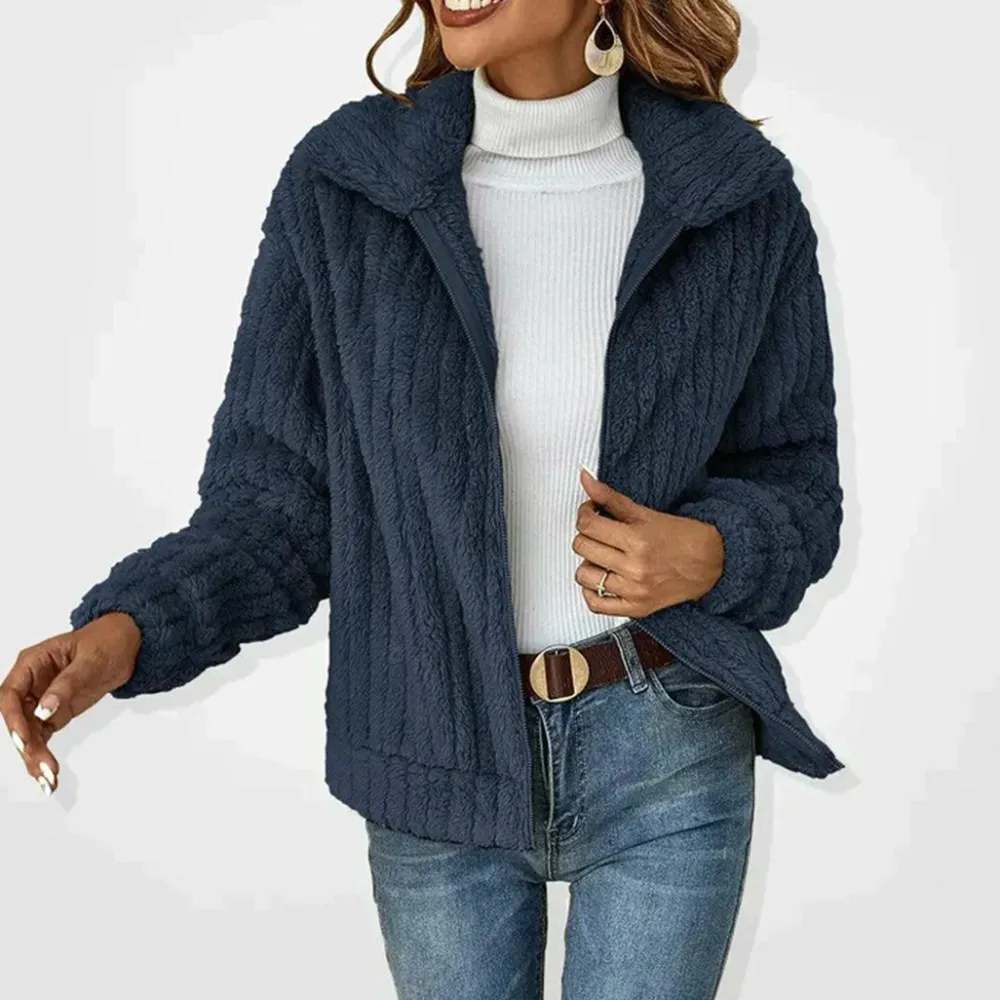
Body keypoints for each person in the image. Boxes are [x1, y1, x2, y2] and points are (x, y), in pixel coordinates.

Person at [1, 0, 845, 996]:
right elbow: (278, 503)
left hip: (667, 740)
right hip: (431, 741)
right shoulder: (348, 186)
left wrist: (716, 549)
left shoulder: (734, 194)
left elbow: (795, 480)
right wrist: (132, 627)